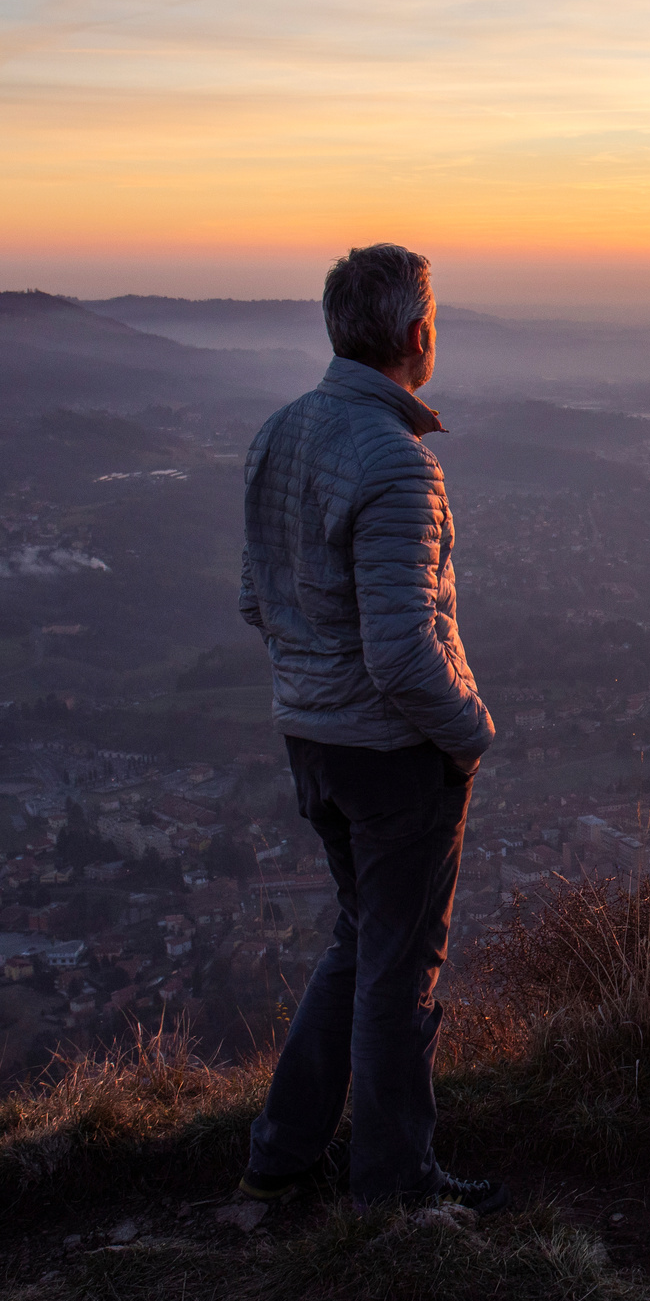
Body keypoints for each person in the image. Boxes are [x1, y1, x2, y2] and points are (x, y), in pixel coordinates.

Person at [233, 242, 503, 1211]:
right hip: (395, 755)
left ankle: (283, 1149)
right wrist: (470, 733)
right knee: (399, 974)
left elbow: (257, 599)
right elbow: (400, 653)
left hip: (312, 739)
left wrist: (312, 681)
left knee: (360, 943)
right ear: (415, 333)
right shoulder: (398, 464)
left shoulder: (278, 434)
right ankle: (397, 1186)